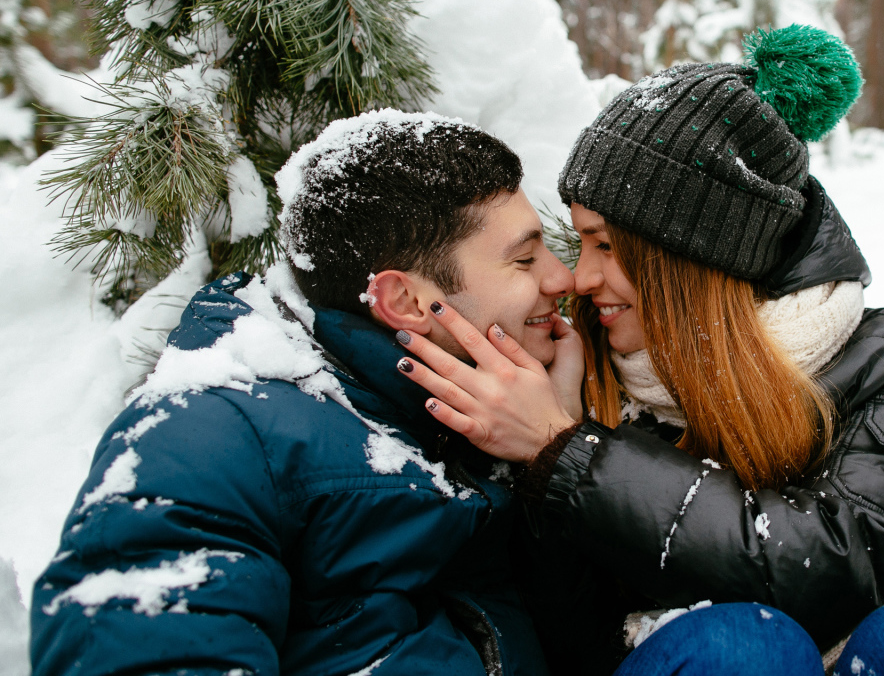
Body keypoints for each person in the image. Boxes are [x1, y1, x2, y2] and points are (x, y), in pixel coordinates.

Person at [393, 26, 884, 675]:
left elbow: (831, 574)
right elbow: (567, 637)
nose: (578, 278)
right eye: (581, 243)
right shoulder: (579, 361)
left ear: (692, 257)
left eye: (606, 246)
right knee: (740, 647)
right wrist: (553, 454)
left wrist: (568, 450)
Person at [29, 109, 581, 675]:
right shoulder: (212, 434)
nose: (562, 277)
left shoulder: (474, 413)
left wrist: (557, 452)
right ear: (407, 303)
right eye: (523, 259)